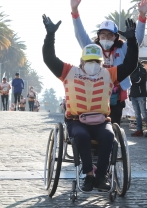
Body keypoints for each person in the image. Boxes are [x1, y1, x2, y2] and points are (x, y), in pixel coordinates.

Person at [42, 14, 138, 191]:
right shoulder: (69, 72)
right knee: (82, 136)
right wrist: (50, 36)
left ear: (101, 62)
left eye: (96, 61)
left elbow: (131, 64)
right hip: (76, 121)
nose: (93, 64)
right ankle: (89, 174)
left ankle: (101, 176)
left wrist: (132, 41)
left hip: (101, 120)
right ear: (82, 61)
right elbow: (49, 59)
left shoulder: (109, 74)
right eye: (89, 61)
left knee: (109, 136)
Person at [70, 0, 147, 126]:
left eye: (109, 36)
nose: (106, 38)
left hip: (116, 96)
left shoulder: (122, 48)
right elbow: (80, 34)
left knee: (114, 125)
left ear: (115, 37)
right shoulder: (93, 49)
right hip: (94, 93)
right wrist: (75, 11)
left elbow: (138, 40)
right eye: (103, 36)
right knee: (94, 125)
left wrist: (142, 16)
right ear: (98, 37)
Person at [129, 62, 147, 137]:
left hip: (140, 94)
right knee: (137, 113)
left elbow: (140, 80)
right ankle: (139, 130)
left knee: (143, 112)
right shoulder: (132, 70)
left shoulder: (142, 70)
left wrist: (130, 78)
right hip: (133, 94)